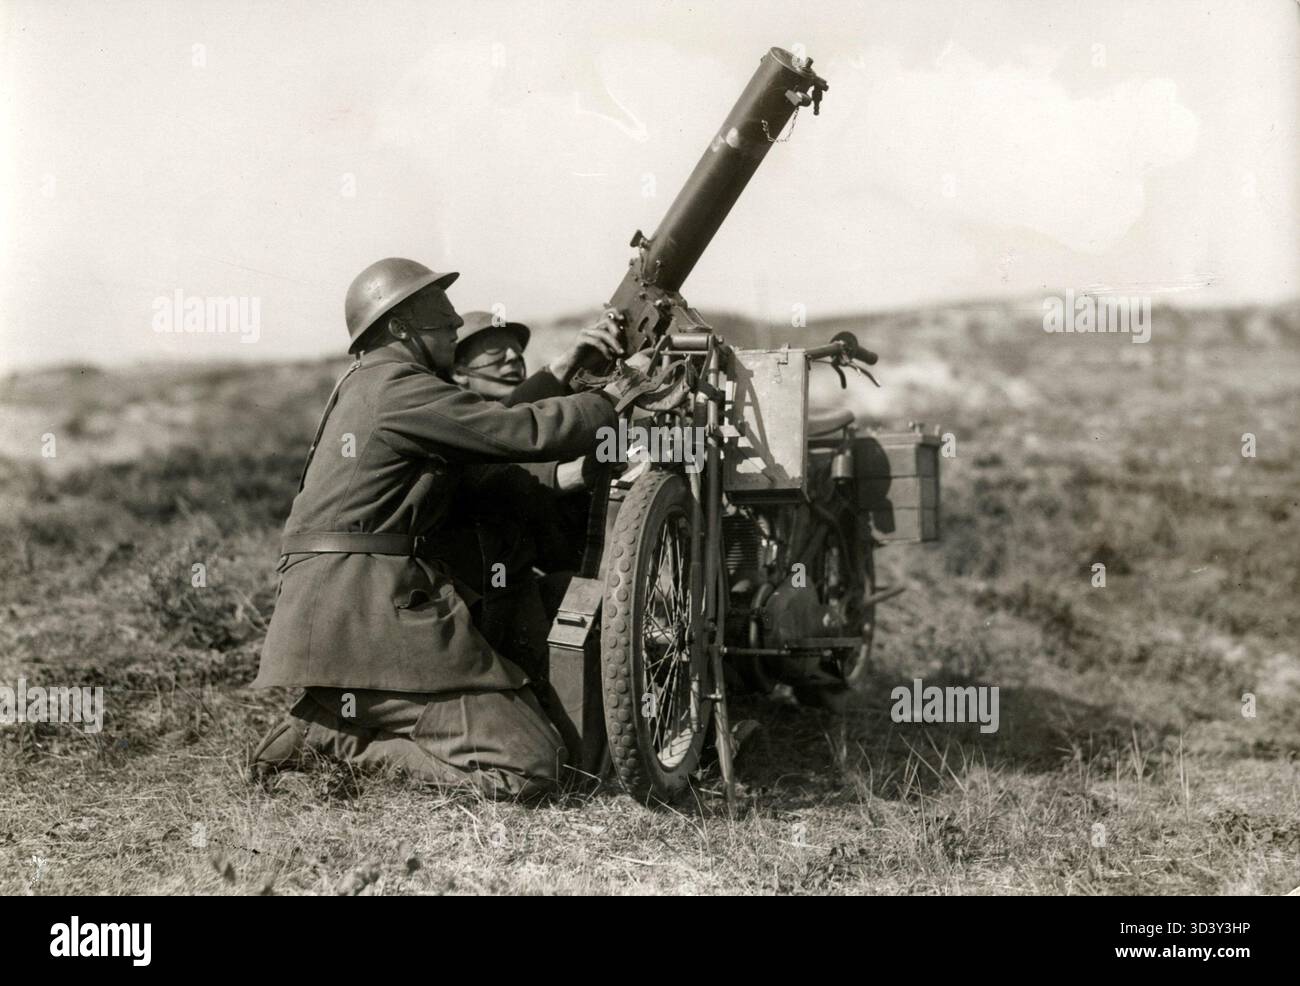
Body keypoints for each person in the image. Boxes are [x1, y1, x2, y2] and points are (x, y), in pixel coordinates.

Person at [248, 257, 625, 800]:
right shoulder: (397, 387)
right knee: (530, 767)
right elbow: (518, 428)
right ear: (400, 327)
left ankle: (343, 717)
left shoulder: (375, 384)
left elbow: (485, 464)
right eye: (441, 314)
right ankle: (334, 738)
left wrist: (571, 451)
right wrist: (609, 400)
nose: (454, 323)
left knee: (537, 738)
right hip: (365, 606)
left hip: (355, 599)